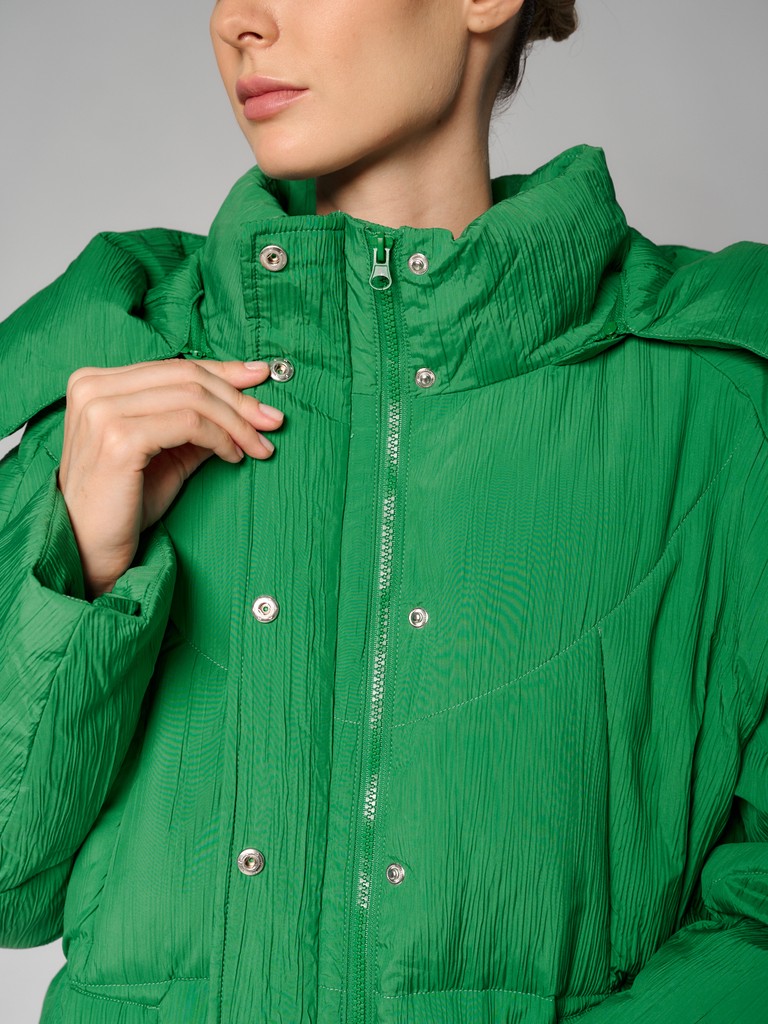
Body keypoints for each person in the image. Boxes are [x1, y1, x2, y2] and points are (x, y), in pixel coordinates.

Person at [1, 1, 766, 1022]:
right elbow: (7, 885)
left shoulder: (719, 400)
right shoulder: (121, 383)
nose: (240, 21)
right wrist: (82, 563)